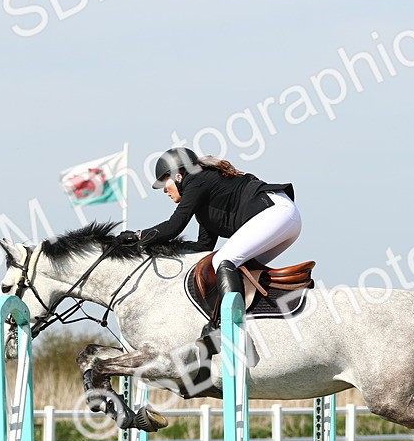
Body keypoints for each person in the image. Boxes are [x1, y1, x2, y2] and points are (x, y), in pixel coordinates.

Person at [116, 147, 300, 351]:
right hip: (282, 218)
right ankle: (264, 326)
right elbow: (203, 246)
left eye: (164, 182)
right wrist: (164, 248)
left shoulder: (197, 179)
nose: (164, 191)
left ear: (178, 174)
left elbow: (174, 225)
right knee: (232, 267)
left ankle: (227, 329)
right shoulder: (204, 198)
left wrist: (138, 236)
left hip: (276, 212)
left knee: (224, 260)